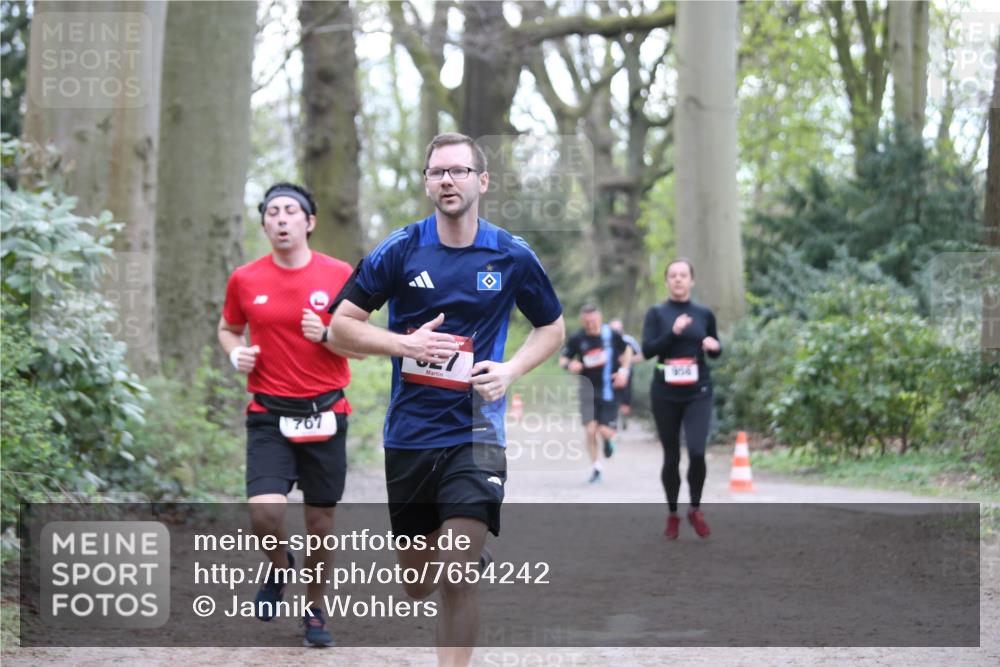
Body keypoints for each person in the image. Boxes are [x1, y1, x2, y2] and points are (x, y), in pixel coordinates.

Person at [328, 132, 565, 667]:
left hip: (476, 432)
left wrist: (510, 369)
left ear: (482, 182)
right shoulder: (401, 249)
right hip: (411, 434)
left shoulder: (510, 255)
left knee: (458, 572)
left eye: (458, 171)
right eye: (438, 172)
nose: (447, 180)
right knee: (417, 583)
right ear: (427, 183)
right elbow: (340, 329)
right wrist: (403, 343)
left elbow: (552, 328)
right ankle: (459, 546)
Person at [218, 182, 358, 647]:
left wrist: (327, 335)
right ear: (264, 224)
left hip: (326, 412)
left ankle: (315, 609)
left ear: (309, 221)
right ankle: (280, 566)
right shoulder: (245, 278)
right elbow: (228, 328)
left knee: (320, 523)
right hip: (268, 413)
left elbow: (359, 346)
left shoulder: (339, 274)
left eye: (291, 211)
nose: (281, 218)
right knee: (264, 512)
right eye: (272, 212)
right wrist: (235, 352)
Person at [641, 258, 721, 540]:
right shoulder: (657, 313)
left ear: (692, 280)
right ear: (667, 281)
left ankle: (695, 508)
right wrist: (672, 332)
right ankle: (673, 512)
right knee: (672, 456)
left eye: (683, 275)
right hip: (665, 392)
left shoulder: (703, 313)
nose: (678, 279)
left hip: (698, 390)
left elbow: (714, 348)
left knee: (697, 452)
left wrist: (715, 347)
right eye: (673, 275)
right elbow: (648, 350)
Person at [559, 305, 632, 483]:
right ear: (583, 321)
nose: (590, 325)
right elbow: (563, 359)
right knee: (590, 430)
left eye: (593, 321)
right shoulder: (578, 338)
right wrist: (570, 365)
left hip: (609, 389)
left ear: (600, 319)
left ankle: (607, 441)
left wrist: (624, 371)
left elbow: (627, 349)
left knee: (604, 430)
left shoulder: (610, 335)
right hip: (587, 390)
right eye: (587, 322)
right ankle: (596, 468)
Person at [609, 318, 642, 430]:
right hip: (610, 373)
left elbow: (640, 356)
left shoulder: (629, 340)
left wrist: (627, 359)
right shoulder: (605, 340)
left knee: (625, 400)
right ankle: (612, 421)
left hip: (626, 373)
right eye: (613, 330)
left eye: (618, 329)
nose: (616, 332)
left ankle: (624, 419)